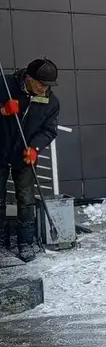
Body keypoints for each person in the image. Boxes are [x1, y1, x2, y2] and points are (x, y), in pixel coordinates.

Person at [0, 58, 60, 262]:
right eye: (41, 84)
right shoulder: (5, 85)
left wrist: (35, 148)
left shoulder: (51, 102)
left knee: (25, 201)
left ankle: (25, 243)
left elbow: (49, 130)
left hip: (24, 157)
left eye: (49, 85)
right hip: (0, 150)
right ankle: (0, 242)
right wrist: (2, 111)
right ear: (28, 77)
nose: (45, 89)